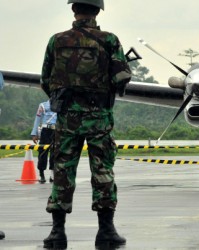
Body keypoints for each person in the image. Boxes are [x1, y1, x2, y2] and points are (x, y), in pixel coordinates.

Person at [40, 0, 131, 248]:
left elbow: (45, 80)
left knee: (62, 171)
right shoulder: (110, 40)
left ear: (73, 9)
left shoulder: (56, 41)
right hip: (98, 116)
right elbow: (122, 78)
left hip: (67, 116)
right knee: (102, 171)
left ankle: (57, 232)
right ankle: (106, 231)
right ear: (98, 11)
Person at [30, 100, 57, 184]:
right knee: (42, 153)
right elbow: (37, 119)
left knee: (55, 153)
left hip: (56, 130)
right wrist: (34, 133)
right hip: (45, 130)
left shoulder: (60, 103)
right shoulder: (42, 105)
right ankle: (41, 174)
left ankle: (52, 174)